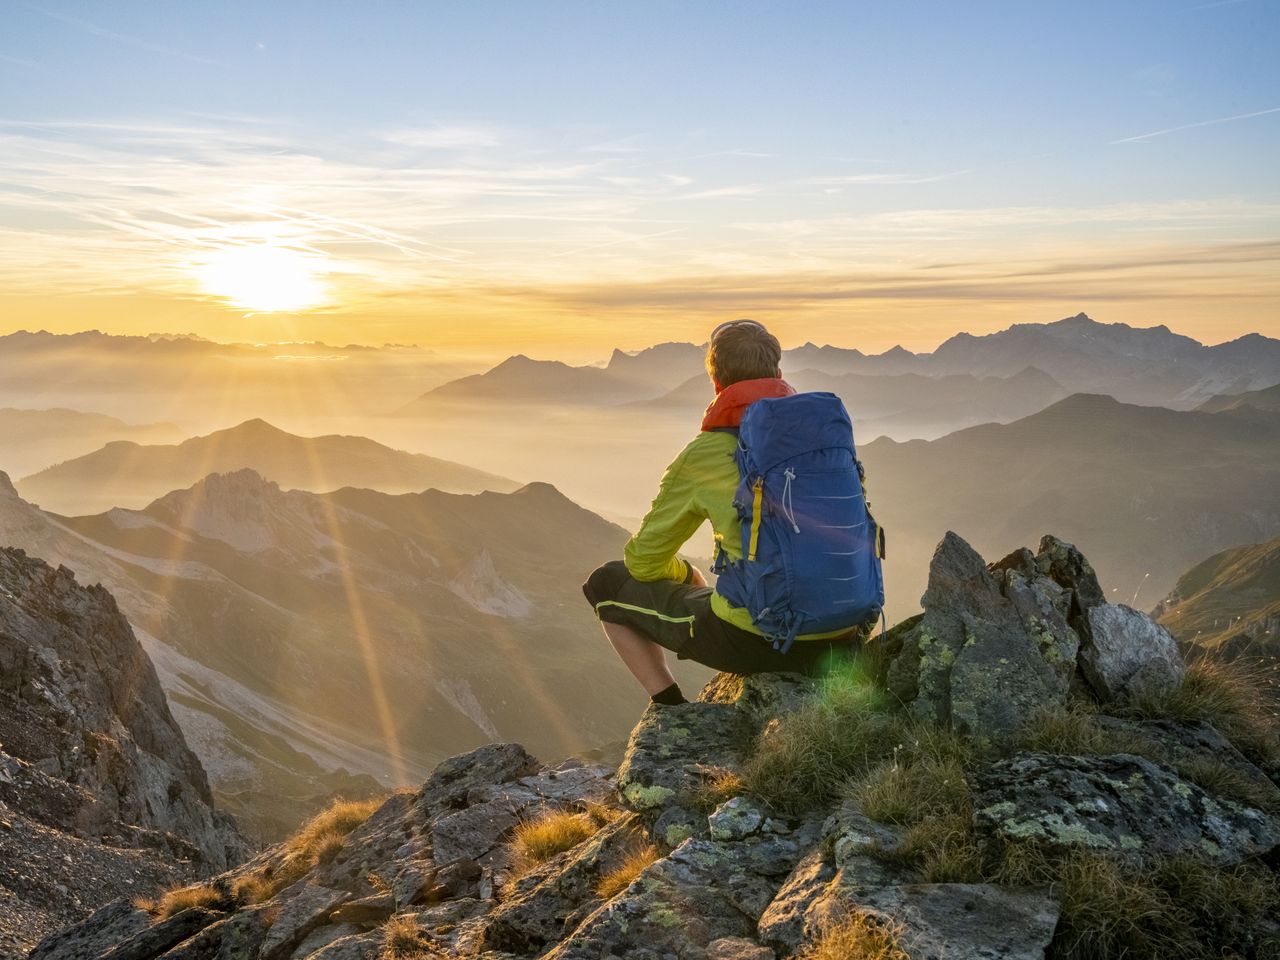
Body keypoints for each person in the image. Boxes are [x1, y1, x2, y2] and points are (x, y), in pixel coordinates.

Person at [582, 319, 863, 706]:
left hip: (761, 642)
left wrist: (686, 573)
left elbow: (642, 562)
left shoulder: (706, 453)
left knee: (604, 584)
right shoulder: (824, 439)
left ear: (717, 385)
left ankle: (671, 710)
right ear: (779, 374)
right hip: (847, 631)